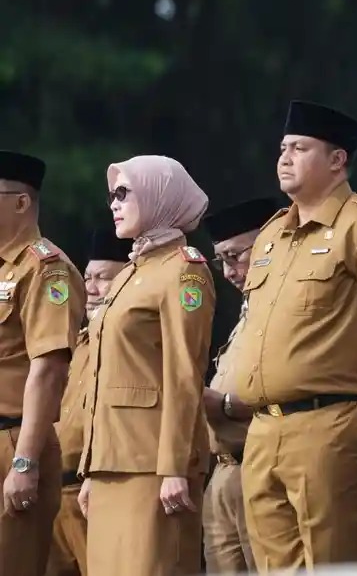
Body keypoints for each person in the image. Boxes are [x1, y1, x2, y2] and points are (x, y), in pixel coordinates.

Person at [229, 100, 357, 570]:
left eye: (300, 148)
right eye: (283, 148)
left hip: (331, 426)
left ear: (337, 160)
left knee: (334, 564)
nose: (285, 158)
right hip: (264, 429)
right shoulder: (271, 234)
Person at [77, 155, 214, 576]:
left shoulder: (184, 271)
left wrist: (174, 467)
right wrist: (90, 466)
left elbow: (184, 373)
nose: (114, 204)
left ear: (159, 195)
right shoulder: (128, 274)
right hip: (111, 462)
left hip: (153, 464)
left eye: (124, 193)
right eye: (111, 196)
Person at [0, 151, 85, 576]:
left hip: (14, 440)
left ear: (21, 202)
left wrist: (25, 462)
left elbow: (48, 369)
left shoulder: (46, 269)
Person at [200, 197, 280, 573]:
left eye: (235, 256)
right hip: (223, 469)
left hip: (261, 462)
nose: (229, 271)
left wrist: (226, 406)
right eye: (221, 261)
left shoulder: (284, 308)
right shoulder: (247, 312)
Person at [45, 228, 130, 576]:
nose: (91, 289)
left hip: (96, 493)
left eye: (103, 278)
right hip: (53, 495)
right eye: (88, 277)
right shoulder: (76, 344)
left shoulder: (132, 346)